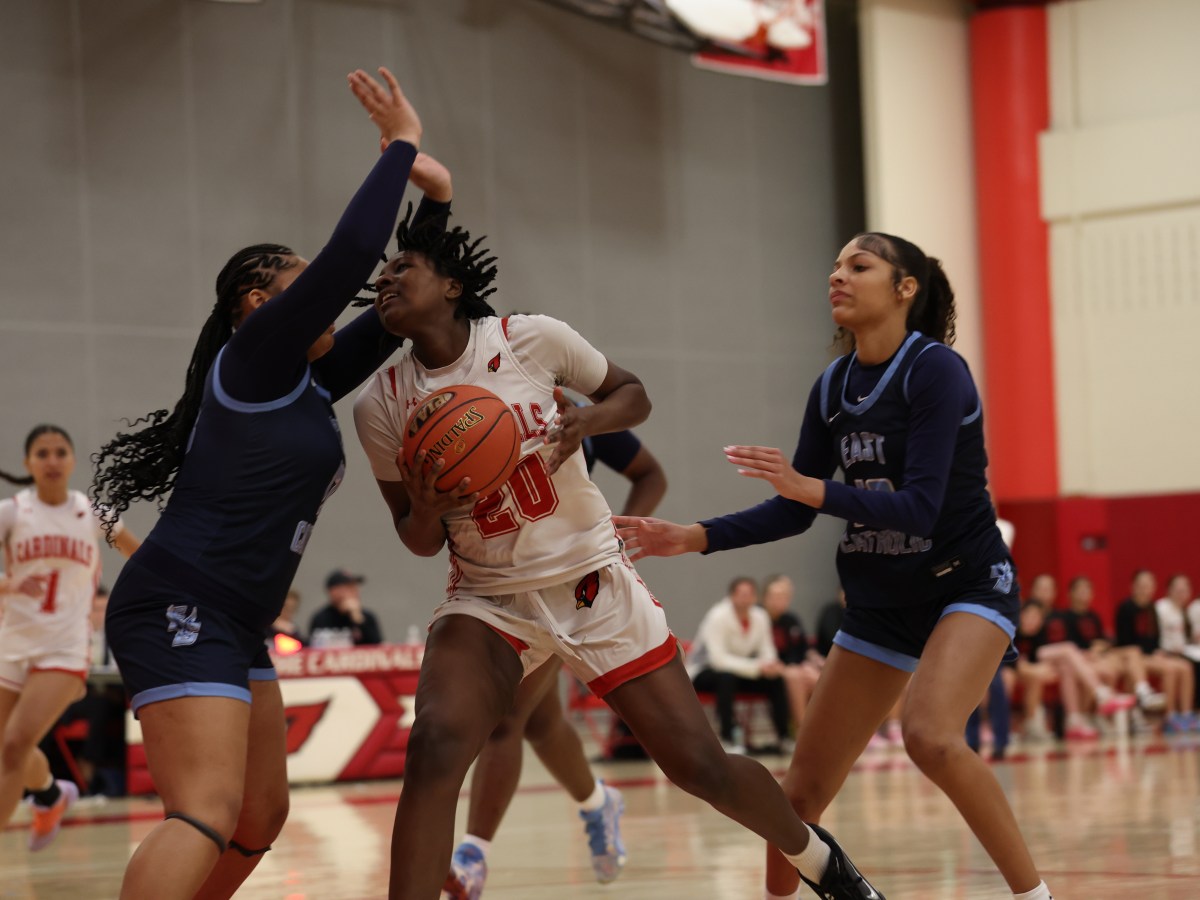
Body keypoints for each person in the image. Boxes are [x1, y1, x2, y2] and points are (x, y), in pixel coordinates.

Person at [353, 177, 883, 900]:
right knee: (435, 743)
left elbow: (633, 393)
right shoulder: (379, 405)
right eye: (380, 274)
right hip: (489, 597)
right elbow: (416, 541)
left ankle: (820, 861)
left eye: (400, 269)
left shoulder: (529, 339)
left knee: (698, 767)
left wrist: (585, 423)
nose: (383, 281)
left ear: (450, 283)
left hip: (592, 582)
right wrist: (421, 506)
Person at [616, 232, 1056, 900]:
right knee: (796, 798)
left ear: (904, 288)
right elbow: (794, 509)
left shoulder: (935, 370)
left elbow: (919, 508)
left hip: (964, 583)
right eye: (835, 266)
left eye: (859, 266)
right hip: (880, 598)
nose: (837, 276)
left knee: (931, 737)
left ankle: (1035, 896)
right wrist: (691, 537)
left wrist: (810, 489)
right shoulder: (832, 386)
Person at [89, 67, 426, 900]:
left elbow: (391, 317)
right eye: (300, 286)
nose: (329, 301)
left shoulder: (304, 380)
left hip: (235, 618)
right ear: (258, 303)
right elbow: (353, 257)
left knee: (259, 818)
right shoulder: (257, 355)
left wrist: (439, 207)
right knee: (204, 811)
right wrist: (402, 144)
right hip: (182, 601)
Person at [442, 422, 668, 897]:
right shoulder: (472, 406)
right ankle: (597, 803)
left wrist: (616, 544)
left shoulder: (574, 410)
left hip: (559, 587)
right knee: (541, 723)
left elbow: (651, 474)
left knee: (506, 719)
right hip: (493, 585)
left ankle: (472, 856)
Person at [0, 425, 140, 849]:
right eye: (42, 453)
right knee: (8, 747)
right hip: (12, 642)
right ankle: (49, 794)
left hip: (65, 647)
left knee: (13, 745)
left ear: (72, 460)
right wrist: (6, 585)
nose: (52, 460)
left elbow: (144, 558)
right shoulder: (12, 512)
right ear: (29, 463)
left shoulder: (94, 514)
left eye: (61, 451)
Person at [688, 576, 792, 754]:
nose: (745, 598)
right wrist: (758, 667)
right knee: (726, 678)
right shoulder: (717, 615)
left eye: (749, 594)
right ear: (732, 596)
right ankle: (728, 739)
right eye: (741, 594)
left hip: (741, 672)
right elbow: (718, 660)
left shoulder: (760, 616)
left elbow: (767, 650)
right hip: (704, 671)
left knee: (776, 680)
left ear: (755, 597)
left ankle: (783, 738)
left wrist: (770, 665)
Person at [1046, 575, 1165, 714]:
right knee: (1109, 670)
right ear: (1070, 593)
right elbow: (1068, 645)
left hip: (1101, 655)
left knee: (1132, 653)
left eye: (1088, 590)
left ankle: (1142, 692)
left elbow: (1102, 640)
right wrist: (1091, 651)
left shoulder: (1093, 616)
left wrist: (1101, 646)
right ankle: (1093, 712)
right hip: (1083, 658)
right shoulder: (1064, 617)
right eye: (1081, 590)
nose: (1085, 594)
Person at [1114, 569, 1194, 732]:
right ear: (1133, 587)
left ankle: (1186, 714)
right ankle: (1168, 715)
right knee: (1169, 669)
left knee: (1185, 667)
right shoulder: (1125, 608)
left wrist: (1158, 651)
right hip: (1131, 654)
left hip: (1149, 654)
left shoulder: (1152, 608)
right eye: (1141, 585)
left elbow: (1154, 637)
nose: (1145, 589)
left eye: (1149, 585)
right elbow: (1124, 641)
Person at [762, 574, 824, 731]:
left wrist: (813, 660)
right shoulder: (759, 617)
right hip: (770, 667)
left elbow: (803, 648)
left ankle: (821, 728)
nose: (781, 600)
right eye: (776, 596)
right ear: (766, 597)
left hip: (794, 665)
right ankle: (802, 729)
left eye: (785, 596)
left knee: (815, 677)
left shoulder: (791, 619)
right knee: (794, 677)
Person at [309, 570, 384, 647]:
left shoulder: (367, 617)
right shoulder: (320, 618)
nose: (355, 591)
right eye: (349, 587)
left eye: (355, 587)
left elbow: (377, 647)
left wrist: (357, 617)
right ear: (333, 591)